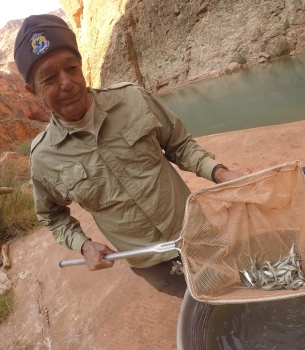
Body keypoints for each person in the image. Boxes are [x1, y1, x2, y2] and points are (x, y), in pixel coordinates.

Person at [14, 14, 250, 276]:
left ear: (82, 66)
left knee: (237, 281)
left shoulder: (133, 99)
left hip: (198, 233)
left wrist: (220, 172)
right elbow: (52, 216)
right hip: (149, 263)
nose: (67, 83)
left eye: (71, 69)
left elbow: (180, 145)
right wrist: (84, 245)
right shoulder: (44, 157)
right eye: (49, 78)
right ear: (31, 90)